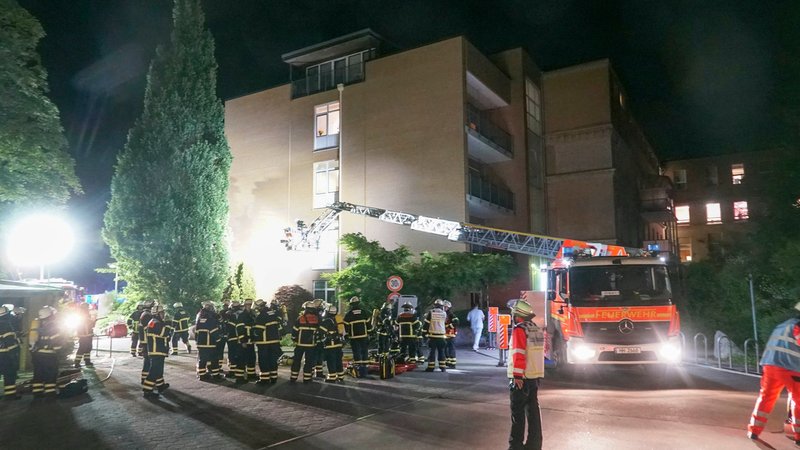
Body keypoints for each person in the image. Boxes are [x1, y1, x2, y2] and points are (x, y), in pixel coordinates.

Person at [747, 301, 800, 444]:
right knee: (798, 401)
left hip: (770, 365)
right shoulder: (798, 326)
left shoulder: (782, 325)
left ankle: (753, 431)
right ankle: (799, 437)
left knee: (766, 398)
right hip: (790, 368)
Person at [508, 299, 544, 450]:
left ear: (518, 315)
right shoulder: (536, 329)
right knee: (533, 413)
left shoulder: (519, 330)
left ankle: (516, 446)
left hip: (521, 378)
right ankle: (534, 445)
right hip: (534, 377)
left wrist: (517, 376)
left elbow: (519, 354)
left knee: (518, 414)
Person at [31, 306, 64, 398]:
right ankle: (50, 394)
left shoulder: (38, 326)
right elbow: (57, 342)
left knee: (38, 374)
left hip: (37, 355)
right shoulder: (53, 327)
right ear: (50, 315)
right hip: (49, 355)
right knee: (50, 374)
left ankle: (37, 393)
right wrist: (58, 352)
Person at [252, 299, 285, 384]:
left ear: (260, 307)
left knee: (264, 360)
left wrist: (253, 334)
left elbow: (258, 331)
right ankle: (273, 378)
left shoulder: (261, 316)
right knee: (273, 360)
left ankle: (264, 379)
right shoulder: (273, 313)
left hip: (264, 343)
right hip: (274, 342)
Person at [143, 304, 172, 398]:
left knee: (159, 370)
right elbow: (164, 333)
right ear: (157, 314)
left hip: (158, 350)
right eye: (162, 313)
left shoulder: (155, 321)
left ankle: (160, 386)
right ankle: (147, 390)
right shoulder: (155, 322)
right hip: (156, 350)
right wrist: (168, 324)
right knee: (154, 370)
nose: (164, 314)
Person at [291, 299, 322, 382]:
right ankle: (307, 378)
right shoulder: (317, 319)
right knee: (309, 362)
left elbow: (294, 331)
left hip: (300, 344)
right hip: (311, 345)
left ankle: (293, 377)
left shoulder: (300, 318)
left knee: (296, 361)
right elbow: (319, 332)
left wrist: (294, 339)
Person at [343, 296, 372, 378]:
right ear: (358, 303)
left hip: (354, 337)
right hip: (364, 336)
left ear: (351, 305)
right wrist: (369, 333)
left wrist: (347, 335)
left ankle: (358, 369)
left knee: (356, 352)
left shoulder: (348, 314)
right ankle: (365, 370)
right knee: (364, 351)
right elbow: (369, 325)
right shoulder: (364, 312)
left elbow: (346, 326)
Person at [195, 301, 222, 381]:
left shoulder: (199, 319)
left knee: (202, 360)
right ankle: (216, 376)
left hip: (200, 344)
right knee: (214, 360)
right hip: (210, 343)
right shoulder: (211, 319)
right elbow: (214, 331)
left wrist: (197, 342)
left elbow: (196, 332)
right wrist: (218, 339)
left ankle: (202, 375)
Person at [319, 304, 345, 383]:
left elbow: (321, 332)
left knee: (331, 361)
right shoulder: (338, 319)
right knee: (338, 360)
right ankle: (341, 376)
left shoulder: (327, 321)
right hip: (338, 343)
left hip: (330, 344)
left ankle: (332, 377)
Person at [0, 306, 21, 400]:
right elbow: (9, 342)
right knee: (9, 374)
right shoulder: (6, 325)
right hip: (5, 355)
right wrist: (14, 354)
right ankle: (10, 395)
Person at [423, 299, 448, 372]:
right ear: (441, 306)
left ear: (434, 305)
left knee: (432, 352)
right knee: (442, 351)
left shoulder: (431, 312)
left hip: (433, 336)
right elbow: (445, 323)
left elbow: (426, 324)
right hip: (441, 336)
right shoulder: (444, 313)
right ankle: (443, 367)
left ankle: (431, 367)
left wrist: (424, 334)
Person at [73, 303, 96, 368]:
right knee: (82, 348)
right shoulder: (81, 315)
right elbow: (85, 323)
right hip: (84, 335)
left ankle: (87, 361)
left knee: (88, 348)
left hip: (87, 335)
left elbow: (90, 325)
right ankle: (77, 362)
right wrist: (92, 321)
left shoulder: (85, 314)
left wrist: (92, 322)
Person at [443, 300, 459, 368]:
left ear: (448, 307)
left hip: (451, 334)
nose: (444, 308)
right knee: (445, 349)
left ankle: (452, 363)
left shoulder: (451, 314)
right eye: (444, 306)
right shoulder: (443, 313)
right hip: (444, 334)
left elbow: (456, 322)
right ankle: (448, 362)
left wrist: (448, 326)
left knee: (451, 349)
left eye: (446, 307)